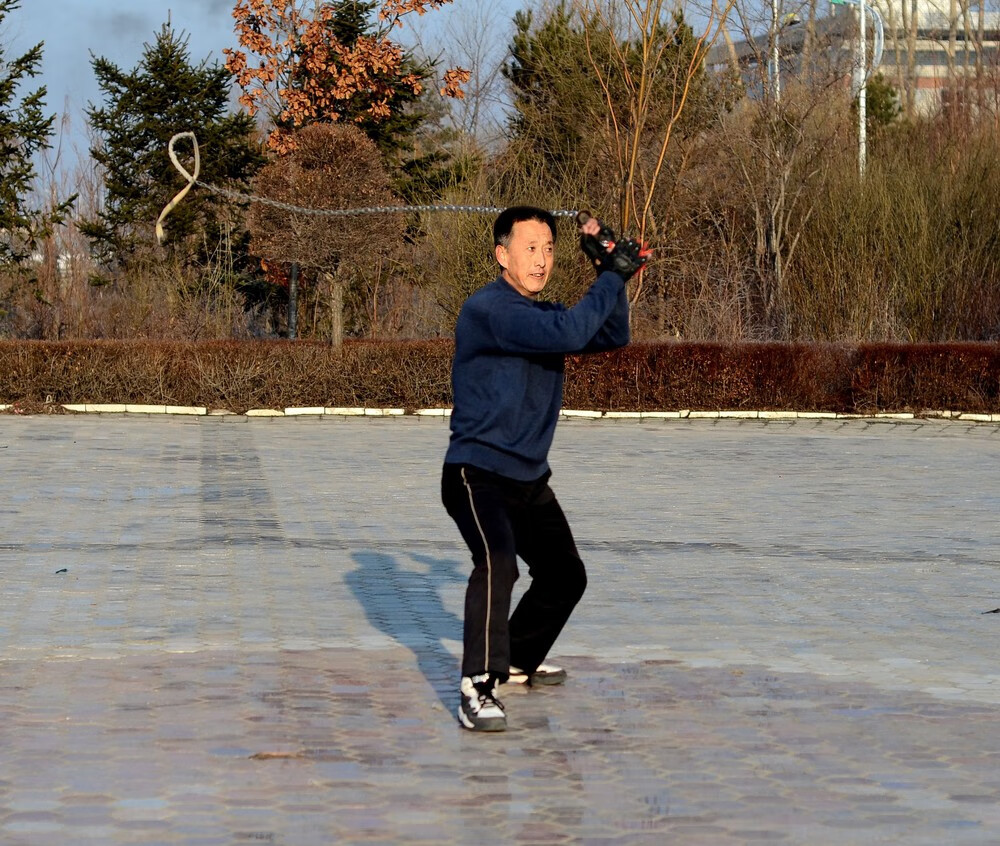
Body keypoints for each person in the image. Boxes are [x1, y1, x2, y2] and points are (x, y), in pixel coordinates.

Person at [441, 205, 649, 732]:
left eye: (549, 249)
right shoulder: (491, 310)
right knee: (500, 562)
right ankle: (477, 686)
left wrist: (608, 275)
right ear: (501, 254)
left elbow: (609, 334)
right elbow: (571, 329)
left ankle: (515, 659)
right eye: (529, 248)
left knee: (564, 575)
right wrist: (614, 276)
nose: (541, 259)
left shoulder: (541, 315)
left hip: (528, 478)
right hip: (477, 474)